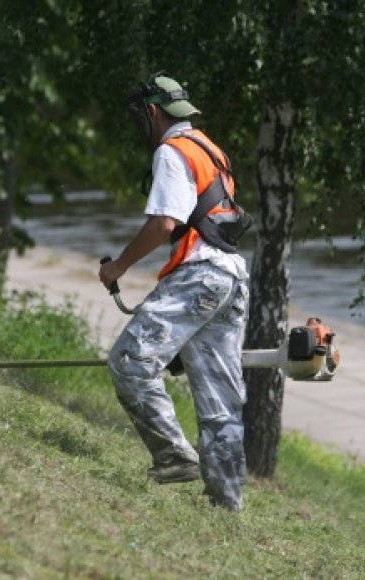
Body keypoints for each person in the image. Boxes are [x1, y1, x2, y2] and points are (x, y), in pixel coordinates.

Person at [98, 73, 249, 511]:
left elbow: (166, 221)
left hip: (200, 276)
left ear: (151, 112)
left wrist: (119, 266)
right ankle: (227, 505)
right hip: (231, 278)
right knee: (220, 402)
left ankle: (173, 456)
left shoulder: (171, 151)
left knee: (130, 361)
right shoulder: (209, 149)